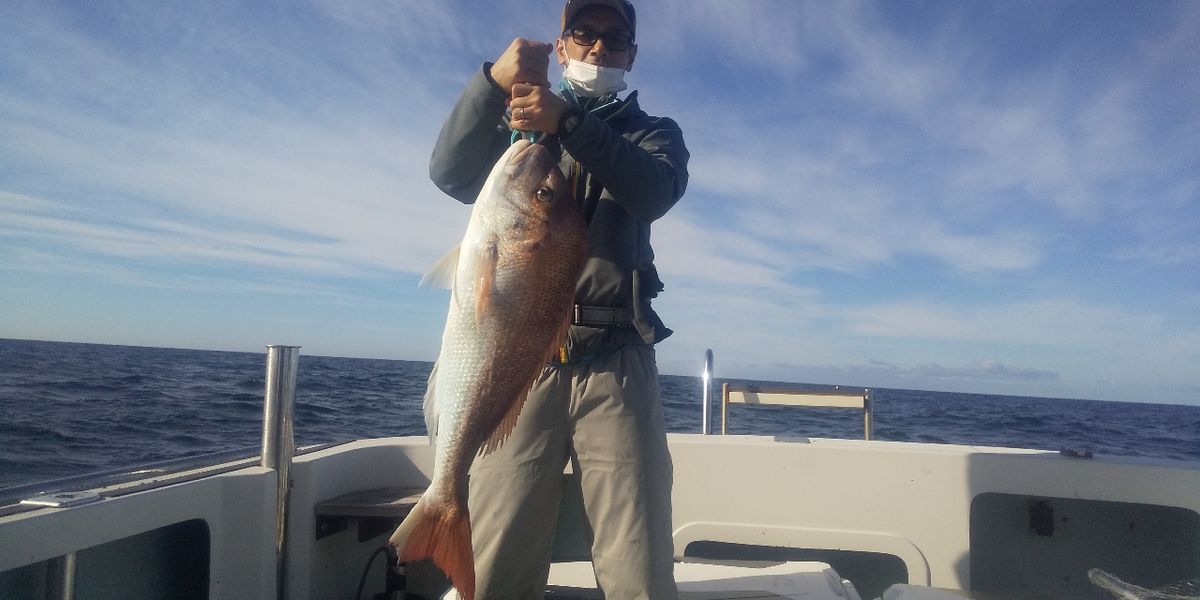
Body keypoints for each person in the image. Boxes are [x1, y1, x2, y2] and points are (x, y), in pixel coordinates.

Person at [427, 0, 688, 598]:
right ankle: (444, 509)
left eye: (615, 38)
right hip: (522, 364)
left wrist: (569, 124)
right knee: (499, 559)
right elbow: (449, 172)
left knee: (639, 566)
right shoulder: (518, 133)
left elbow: (652, 192)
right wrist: (491, 85)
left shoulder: (653, 135)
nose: (599, 48)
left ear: (632, 54)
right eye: (584, 33)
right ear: (562, 44)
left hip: (618, 362)